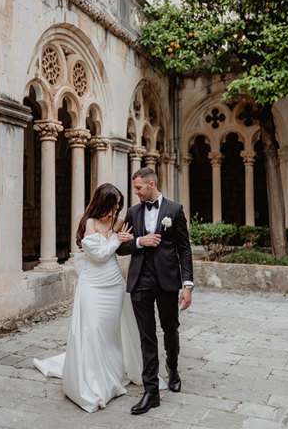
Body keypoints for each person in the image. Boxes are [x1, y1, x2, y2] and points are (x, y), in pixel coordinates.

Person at [34, 183, 147, 412]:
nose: (115, 211)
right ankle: (95, 381)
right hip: (93, 286)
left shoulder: (116, 222)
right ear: (101, 203)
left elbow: (126, 242)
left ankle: (112, 374)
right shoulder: (89, 223)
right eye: (112, 205)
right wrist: (118, 239)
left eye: (117, 206)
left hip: (114, 284)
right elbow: (100, 255)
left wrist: (130, 238)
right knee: (92, 330)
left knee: (110, 331)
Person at [116, 167, 193, 415]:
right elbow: (122, 248)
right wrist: (140, 241)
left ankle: (172, 367)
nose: (135, 192)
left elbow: (184, 249)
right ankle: (151, 391)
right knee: (146, 335)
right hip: (140, 281)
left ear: (151, 184)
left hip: (167, 281)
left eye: (138, 188)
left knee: (170, 328)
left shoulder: (174, 210)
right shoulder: (132, 212)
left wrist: (188, 286)